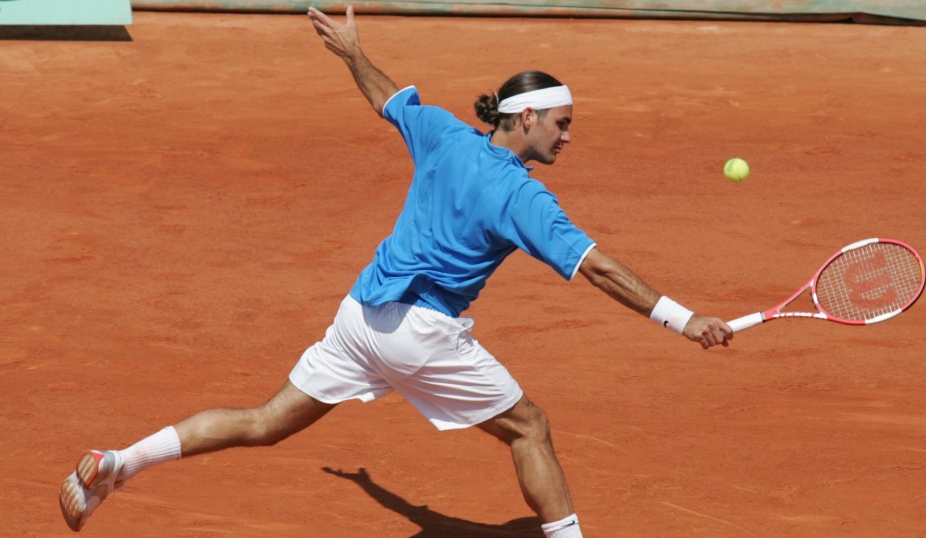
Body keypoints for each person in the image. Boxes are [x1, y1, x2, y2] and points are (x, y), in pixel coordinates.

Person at [59, 6, 734, 537]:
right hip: (419, 331)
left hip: (360, 314)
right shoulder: (524, 196)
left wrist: (354, 53)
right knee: (529, 428)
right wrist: (684, 320)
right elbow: (601, 270)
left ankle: (121, 462)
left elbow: (386, 98)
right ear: (525, 118)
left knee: (265, 421)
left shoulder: (441, 131)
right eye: (559, 124)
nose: (567, 136)